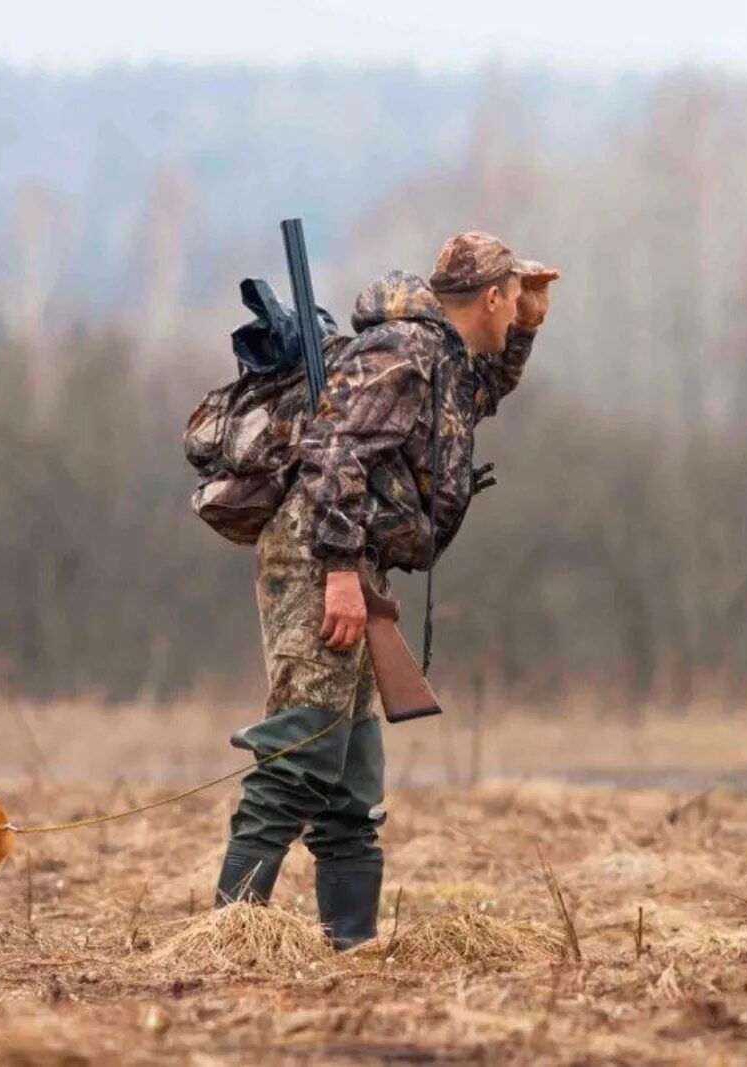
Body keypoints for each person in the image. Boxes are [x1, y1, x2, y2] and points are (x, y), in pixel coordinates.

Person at [215, 232, 559, 949]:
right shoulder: (400, 352)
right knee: (302, 751)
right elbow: (332, 449)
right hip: (322, 557)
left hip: (357, 561)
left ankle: (352, 949)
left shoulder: (447, 359)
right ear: (488, 297)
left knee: (351, 780)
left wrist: (527, 327)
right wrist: (341, 571)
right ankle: (227, 941)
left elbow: (482, 393)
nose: (514, 310)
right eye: (512, 298)